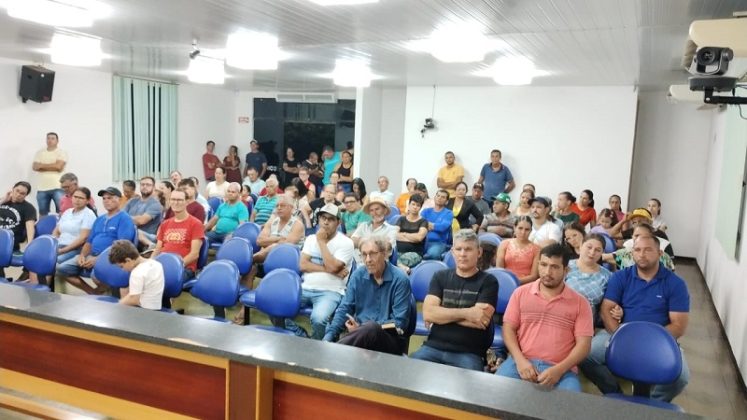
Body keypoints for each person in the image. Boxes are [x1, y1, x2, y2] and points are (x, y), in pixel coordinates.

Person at [581, 235, 690, 402]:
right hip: (620, 333)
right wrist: (620, 336)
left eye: (648, 250)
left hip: (660, 339)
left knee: (681, 377)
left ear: (660, 253)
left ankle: (652, 403)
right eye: (637, 250)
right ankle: (615, 393)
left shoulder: (675, 284)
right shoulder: (620, 277)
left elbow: (678, 325)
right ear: (632, 253)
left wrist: (646, 342)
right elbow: (606, 309)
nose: (642, 254)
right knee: (586, 355)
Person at [496, 243, 593, 392]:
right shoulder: (520, 293)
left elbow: (584, 346)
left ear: (566, 270)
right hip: (521, 362)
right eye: (543, 265)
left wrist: (559, 370)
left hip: (562, 369)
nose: (547, 272)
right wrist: (520, 361)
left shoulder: (581, 303)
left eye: (554, 267)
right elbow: (508, 329)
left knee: (570, 404)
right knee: (495, 394)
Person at [410, 229, 498, 371]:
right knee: (409, 373)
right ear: (452, 252)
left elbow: (480, 320)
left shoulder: (489, 281)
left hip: (469, 353)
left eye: (468, 249)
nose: (462, 254)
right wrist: (468, 313)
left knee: (470, 383)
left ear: (479, 252)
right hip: (433, 347)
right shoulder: (440, 276)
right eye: (458, 249)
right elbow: (428, 314)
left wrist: (441, 315)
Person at [323, 236, 412, 354]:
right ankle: (325, 348)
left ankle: (330, 352)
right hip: (359, 336)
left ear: (384, 254)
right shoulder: (358, 275)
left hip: (390, 341)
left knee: (371, 328)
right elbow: (345, 308)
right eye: (364, 255)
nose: (368, 260)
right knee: (333, 327)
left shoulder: (400, 279)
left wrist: (362, 329)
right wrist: (328, 337)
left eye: (372, 254)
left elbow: (399, 323)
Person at [282, 204, 354, 339]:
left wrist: (321, 242)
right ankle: (300, 335)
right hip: (305, 287)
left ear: (338, 222)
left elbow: (333, 267)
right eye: (323, 218)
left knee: (318, 319)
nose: (326, 222)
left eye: (331, 219)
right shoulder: (310, 239)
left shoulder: (346, 242)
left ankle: (315, 345)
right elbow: (303, 265)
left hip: (331, 291)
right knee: (277, 305)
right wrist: (332, 271)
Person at [58, 187, 136, 295]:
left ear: (119, 199)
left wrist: (98, 259)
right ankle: (93, 293)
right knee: (62, 269)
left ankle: (111, 297)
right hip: (92, 255)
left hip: (112, 258)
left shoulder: (124, 218)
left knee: (96, 276)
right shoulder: (100, 219)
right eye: (104, 198)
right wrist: (82, 255)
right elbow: (89, 242)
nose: (106, 201)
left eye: (110, 198)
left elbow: (122, 246)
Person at [151, 189, 204, 281]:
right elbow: (157, 250)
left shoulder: (196, 224)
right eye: (173, 199)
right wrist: (150, 263)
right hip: (162, 266)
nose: (176, 203)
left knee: (158, 281)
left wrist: (174, 266)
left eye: (179, 200)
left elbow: (194, 254)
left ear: (187, 202)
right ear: (169, 201)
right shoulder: (165, 224)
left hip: (183, 268)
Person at [565, 234, 611, 324]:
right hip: (563, 319)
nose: (592, 252)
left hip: (588, 325)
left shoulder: (607, 276)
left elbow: (609, 305)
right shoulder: (565, 267)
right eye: (589, 247)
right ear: (581, 246)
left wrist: (617, 310)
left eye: (598, 250)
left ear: (602, 253)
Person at [109, 240, 164, 310]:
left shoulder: (137, 273)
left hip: (143, 310)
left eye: (121, 266)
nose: (123, 270)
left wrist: (116, 306)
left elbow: (134, 299)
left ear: (128, 260)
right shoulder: (156, 264)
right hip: (156, 308)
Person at [52, 187, 96, 268]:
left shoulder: (88, 214)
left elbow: (83, 238)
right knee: (40, 256)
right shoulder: (67, 212)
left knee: (54, 261)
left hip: (75, 248)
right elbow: (56, 231)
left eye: (81, 198)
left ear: (87, 201)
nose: (77, 200)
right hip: (59, 245)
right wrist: (52, 245)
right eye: (75, 197)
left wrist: (63, 250)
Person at [603, 223, 675, 271]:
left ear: (651, 237)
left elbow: (671, 277)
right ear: (632, 237)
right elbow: (601, 257)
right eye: (636, 235)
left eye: (643, 236)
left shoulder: (663, 257)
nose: (639, 239)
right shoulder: (625, 254)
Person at [351, 197, 397, 262]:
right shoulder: (363, 226)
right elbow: (352, 242)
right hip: (357, 261)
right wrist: (378, 242)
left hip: (377, 264)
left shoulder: (392, 229)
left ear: (384, 210)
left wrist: (362, 240)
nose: (374, 213)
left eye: (377, 209)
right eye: (371, 210)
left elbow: (387, 249)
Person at [496, 216, 540, 284]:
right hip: (505, 282)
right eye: (520, 228)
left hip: (526, 285)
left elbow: (534, 276)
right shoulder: (504, 244)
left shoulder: (537, 249)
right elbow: (499, 269)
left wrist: (515, 282)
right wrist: (508, 282)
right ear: (514, 228)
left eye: (527, 229)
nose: (523, 232)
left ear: (531, 231)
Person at [32, 132, 67, 216]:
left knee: (62, 212)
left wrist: (41, 166)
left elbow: (58, 167)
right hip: (42, 188)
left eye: (52, 138)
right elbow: (35, 167)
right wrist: (53, 165)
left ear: (57, 141)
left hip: (58, 186)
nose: (50, 140)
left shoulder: (61, 152)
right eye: (48, 138)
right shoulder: (40, 153)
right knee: (43, 213)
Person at [124, 176, 163, 250]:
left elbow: (141, 221)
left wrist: (125, 219)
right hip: (130, 235)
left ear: (153, 187)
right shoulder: (132, 201)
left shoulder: (155, 204)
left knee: (134, 231)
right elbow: (120, 217)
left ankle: (151, 245)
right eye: (142, 184)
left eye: (148, 185)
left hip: (147, 237)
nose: (145, 186)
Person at [395, 194, 428, 274]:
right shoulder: (401, 219)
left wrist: (403, 234)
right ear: (409, 205)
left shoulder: (423, 221)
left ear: (420, 207)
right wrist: (412, 237)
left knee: (395, 261)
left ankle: (405, 270)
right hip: (398, 251)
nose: (415, 207)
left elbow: (419, 238)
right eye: (413, 204)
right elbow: (394, 234)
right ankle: (404, 269)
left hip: (415, 253)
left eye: (418, 205)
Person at [0, 181, 37, 252]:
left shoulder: (29, 208)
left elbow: (30, 227)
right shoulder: (3, 201)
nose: (18, 194)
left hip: (9, 242)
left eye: (22, 193)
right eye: (17, 191)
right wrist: (3, 200)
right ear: (12, 189)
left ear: (26, 195)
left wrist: (29, 245)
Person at [421, 189, 454, 260]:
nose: (439, 198)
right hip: (422, 241)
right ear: (434, 198)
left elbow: (442, 227)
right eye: (438, 196)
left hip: (439, 243)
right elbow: (420, 224)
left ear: (447, 201)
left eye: (443, 197)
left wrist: (427, 225)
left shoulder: (448, 213)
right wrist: (436, 226)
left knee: (432, 254)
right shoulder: (425, 211)